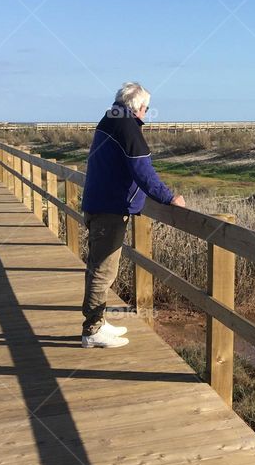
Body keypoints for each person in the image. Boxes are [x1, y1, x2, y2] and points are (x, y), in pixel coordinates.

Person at [79, 82, 186, 348]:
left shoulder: (110, 120)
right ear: (138, 106)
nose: (146, 114)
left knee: (99, 267)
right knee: (103, 270)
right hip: (110, 209)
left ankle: (99, 322)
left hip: (101, 203)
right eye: (146, 109)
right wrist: (170, 198)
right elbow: (143, 172)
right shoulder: (127, 128)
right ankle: (92, 330)